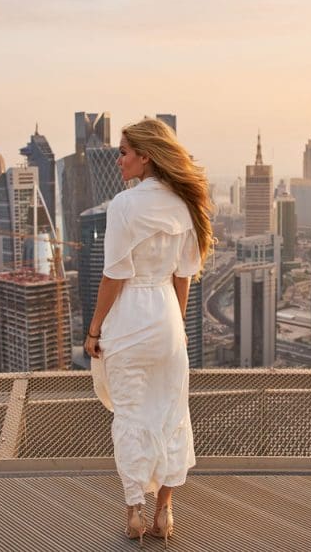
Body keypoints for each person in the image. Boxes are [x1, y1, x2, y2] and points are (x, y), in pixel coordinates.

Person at [85, 117, 212, 548]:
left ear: (146, 156)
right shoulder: (183, 205)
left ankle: (134, 511)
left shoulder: (124, 205)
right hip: (166, 319)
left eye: (123, 152)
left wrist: (94, 329)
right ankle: (165, 512)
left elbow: (113, 276)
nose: (118, 159)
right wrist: (176, 322)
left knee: (131, 414)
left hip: (129, 318)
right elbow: (184, 275)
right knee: (170, 413)